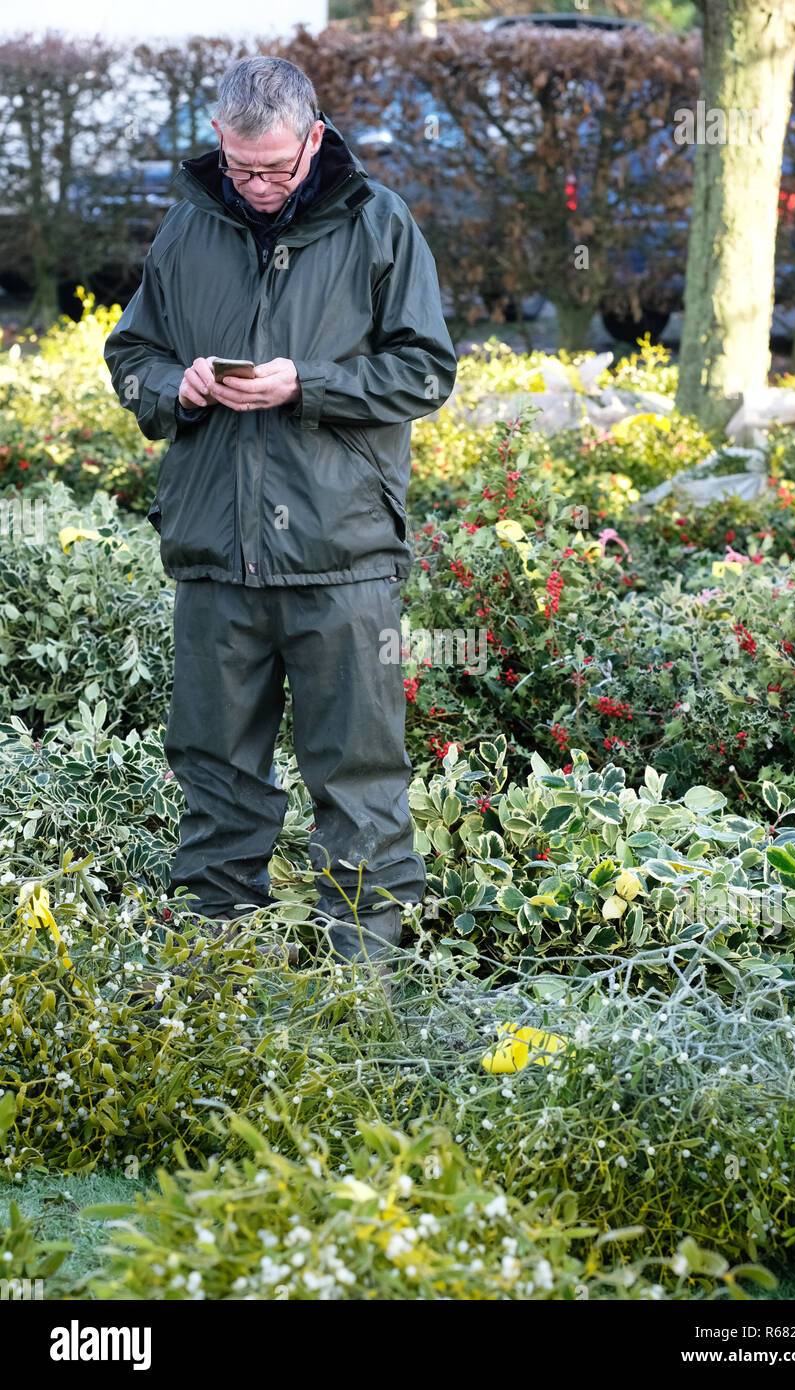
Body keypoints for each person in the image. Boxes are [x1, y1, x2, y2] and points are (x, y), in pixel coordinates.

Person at [104, 55, 457, 988]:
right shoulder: (188, 226)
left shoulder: (381, 223)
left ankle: (365, 1002)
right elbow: (131, 349)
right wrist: (167, 387)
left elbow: (427, 371)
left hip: (344, 559)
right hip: (216, 557)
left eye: (275, 170)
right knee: (215, 780)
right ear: (220, 142)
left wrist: (313, 384)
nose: (257, 188)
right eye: (240, 169)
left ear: (312, 138)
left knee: (360, 785)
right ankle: (217, 996)